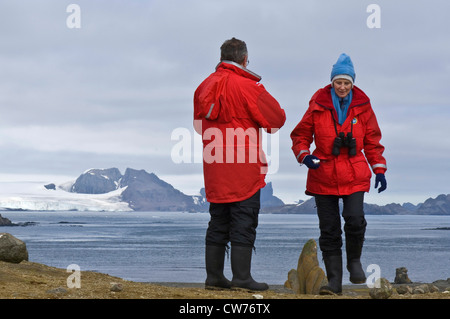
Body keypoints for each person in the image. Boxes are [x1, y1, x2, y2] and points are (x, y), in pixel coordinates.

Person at [193, 38, 286, 291]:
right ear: (245, 59)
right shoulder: (248, 87)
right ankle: (242, 278)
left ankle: (214, 278)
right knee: (244, 220)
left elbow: (198, 125)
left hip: (214, 164)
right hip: (244, 166)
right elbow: (276, 121)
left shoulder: (203, 87)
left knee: (218, 221)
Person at [290, 53, 387, 295]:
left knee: (355, 219)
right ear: (332, 82)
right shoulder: (317, 105)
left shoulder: (363, 107)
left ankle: (354, 262)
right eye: (338, 82)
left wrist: (379, 169)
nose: (342, 87)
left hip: (354, 174)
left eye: (346, 83)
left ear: (352, 83)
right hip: (322, 174)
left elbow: (373, 140)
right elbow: (300, 136)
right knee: (329, 230)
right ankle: (334, 283)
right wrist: (305, 156)